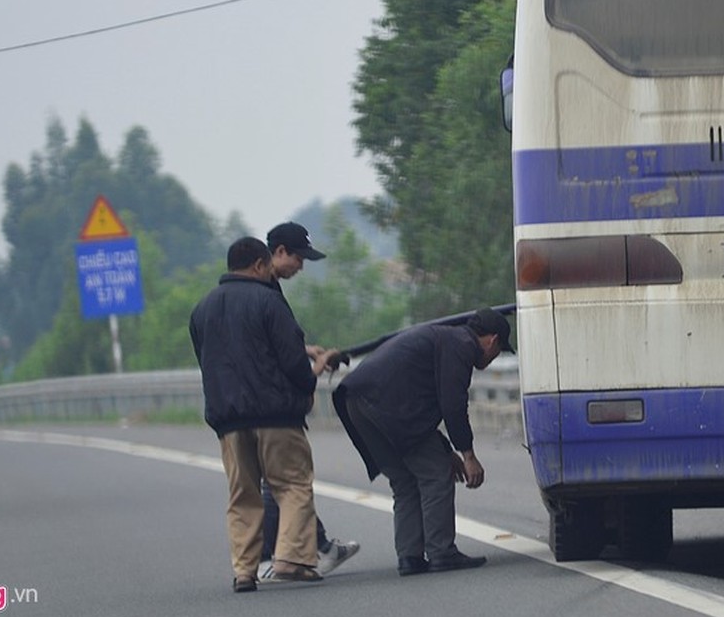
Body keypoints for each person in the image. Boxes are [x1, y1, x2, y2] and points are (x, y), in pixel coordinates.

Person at [189, 236, 338, 592]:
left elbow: (210, 359)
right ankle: (292, 559)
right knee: (292, 485)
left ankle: (244, 571)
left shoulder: (202, 309)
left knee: (242, 495)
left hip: (228, 420)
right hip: (275, 416)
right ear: (259, 265)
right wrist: (315, 368)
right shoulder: (269, 302)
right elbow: (292, 365)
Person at [333, 306, 513, 576]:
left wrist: (445, 448)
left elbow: (417, 409)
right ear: (492, 340)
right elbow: (452, 404)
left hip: (356, 401)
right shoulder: (461, 346)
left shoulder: (445, 339)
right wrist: (468, 455)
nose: (494, 356)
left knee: (405, 481)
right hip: (383, 406)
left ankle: (410, 556)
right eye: (498, 350)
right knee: (437, 474)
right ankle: (442, 552)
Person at [254, 221, 359, 580]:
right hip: (273, 404)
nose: (300, 266)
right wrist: (313, 366)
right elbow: (271, 352)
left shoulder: (266, 288)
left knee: (283, 481)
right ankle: (274, 557)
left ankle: (318, 547)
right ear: (279, 252)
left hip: (258, 402)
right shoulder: (263, 291)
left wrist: (302, 350)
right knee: (285, 482)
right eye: (298, 258)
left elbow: (270, 344)